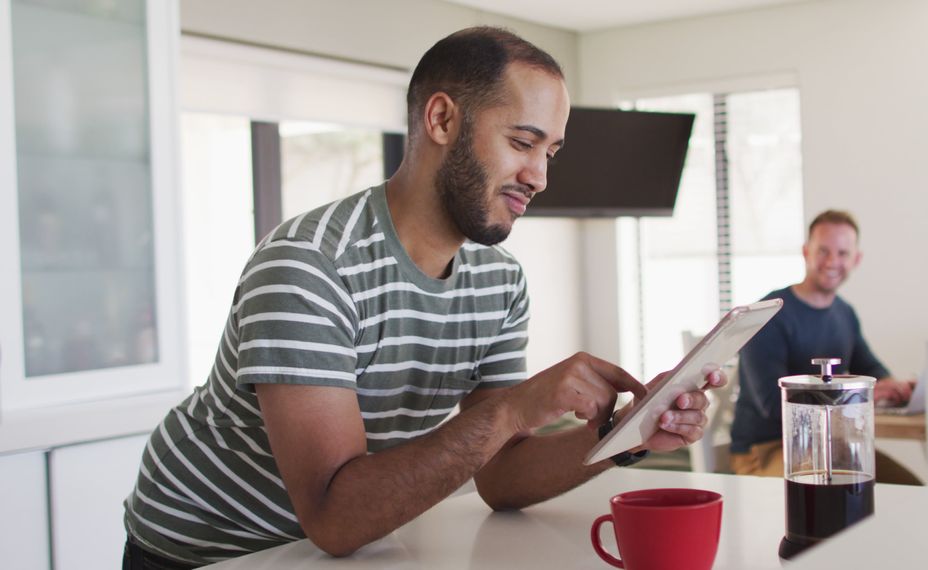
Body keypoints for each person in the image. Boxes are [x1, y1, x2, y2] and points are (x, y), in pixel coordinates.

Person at [121, 26, 724, 569]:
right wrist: (515, 407)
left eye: (550, 152)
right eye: (522, 141)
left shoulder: (499, 282)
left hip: (335, 550)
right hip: (207, 551)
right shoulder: (309, 265)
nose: (540, 175)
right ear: (441, 121)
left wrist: (630, 432)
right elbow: (335, 516)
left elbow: (501, 479)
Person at [729, 209, 920, 484]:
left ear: (856, 259)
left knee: (909, 489)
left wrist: (895, 387)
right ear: (806, 252)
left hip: (830, 446)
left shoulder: (845, 314)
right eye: (823, 251)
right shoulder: (768, 315)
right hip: (766, 449)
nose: (832, 261)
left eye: (843, 253)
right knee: (832, 492)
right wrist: (863, 396)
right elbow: (773, 405)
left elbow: (870, 366)